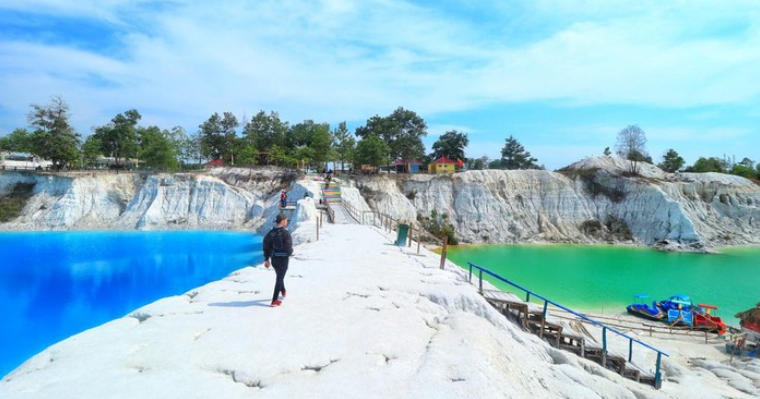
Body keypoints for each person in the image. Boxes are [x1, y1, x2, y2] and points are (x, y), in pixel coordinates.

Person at [263, 213, 293, 307]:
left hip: (274, 259)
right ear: (283, 221)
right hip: (283, 259)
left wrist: (266, 259)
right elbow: (289, 248)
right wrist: (289, 253)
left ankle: (283, 291)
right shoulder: (286, 233)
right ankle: (274, 300)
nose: (287, 222)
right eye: (286, 220)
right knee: (279, 278)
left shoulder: (270, 233)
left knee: (279, 276)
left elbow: (266, 245)